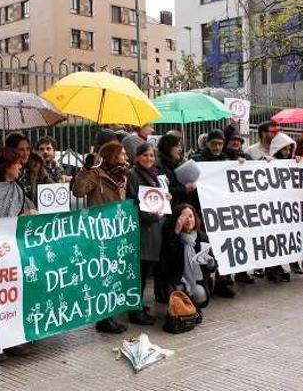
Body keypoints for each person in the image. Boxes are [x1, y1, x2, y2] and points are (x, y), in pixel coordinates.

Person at [0, 148, 37, 361]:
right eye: (17, 163)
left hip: (13, 250)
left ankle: (11, 340)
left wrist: (27, 214)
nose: (21, 166)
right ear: (6, 166)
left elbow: (20, 210)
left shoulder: (17, 187)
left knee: (13, 297)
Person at [72, 140, 131, 334]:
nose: (125, 157)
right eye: (122, 154)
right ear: (113, 156)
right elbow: (78, 190)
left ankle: (111, 313)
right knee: (104, 274)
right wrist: (86, 168)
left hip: (118, 229)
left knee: (115, 273)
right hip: (100, 231)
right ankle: (104, 318)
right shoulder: (97, 174)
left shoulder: (124, 175)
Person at [193, 130, 246, 294]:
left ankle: (222, 281)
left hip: (222, 210)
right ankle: (206, 279)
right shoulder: (197, 160)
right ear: (207, 143)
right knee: (205, 245)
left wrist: (240, 163)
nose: (217, 147)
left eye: (220, 144)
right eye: (214, 143)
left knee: (223, 244)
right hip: (203, 209)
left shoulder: (226, 159)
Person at [126, 142, 167, 325]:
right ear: (137, 157)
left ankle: (139, 303)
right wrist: (152, 215)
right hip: (144, 228)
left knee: (146, 269)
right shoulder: (134, 175)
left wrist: (164, 199)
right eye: (145, 155)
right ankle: (135, 310)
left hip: (153, 229)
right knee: (140, 271)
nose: (149, 159)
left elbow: (156, 198)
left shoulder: (154, 175)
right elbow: (135, 201)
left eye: (151, 155)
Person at [158, 204, 213, 309]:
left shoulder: (201, 237)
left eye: (190, 216)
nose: (188, 220)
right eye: (184, 217)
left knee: (200, 294)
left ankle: (195, 308)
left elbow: (211, 265)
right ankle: (180, 309)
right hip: (176, 278)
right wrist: (176, 232)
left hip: (196, 279)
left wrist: (211, 263)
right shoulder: (171, 235)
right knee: (177, 291)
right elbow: (166, 262)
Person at [265, 132, 296, 283]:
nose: (287, 153)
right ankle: (271, 269)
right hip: (271, 208)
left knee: (280, 240)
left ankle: (278, 267)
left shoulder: (291, 163)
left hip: (284, 209)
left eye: (289, 150)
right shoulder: (267, 162)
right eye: (284, 150)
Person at [4, 132, 50, 204]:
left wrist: (60, 183)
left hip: (35, 211)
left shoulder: (36, 165)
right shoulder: (4, 169)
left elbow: (49, 184)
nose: (26, 153)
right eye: (21, 149)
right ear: (12, 150)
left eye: (28, 149)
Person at [155, 133, 196, 209]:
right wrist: (184, 189)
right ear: (168, 148)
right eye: (177, 146)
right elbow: (164, 192)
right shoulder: (159, 167)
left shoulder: (176, 165)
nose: (180, 149)